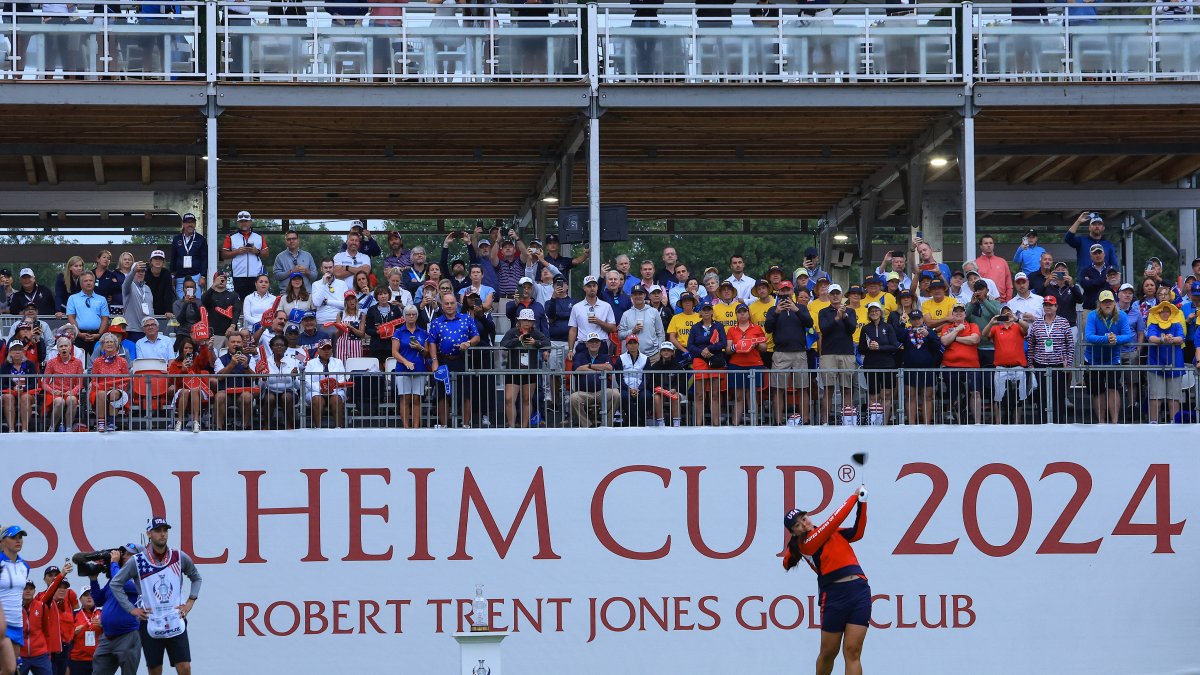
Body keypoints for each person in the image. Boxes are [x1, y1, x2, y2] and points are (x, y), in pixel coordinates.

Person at [782, 486, 870, 675]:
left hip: (858, 590)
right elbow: (836, 518)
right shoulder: (806, 543)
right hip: (834, 596)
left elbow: (858, 532)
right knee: (829, 653)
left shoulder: (830, 532)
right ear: (794, 532)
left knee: (852, 651)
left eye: (803, 519)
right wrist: (854, 496)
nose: (803, 524)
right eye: (797, 525)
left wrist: (863, 503)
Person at [108, 518, 201, 675]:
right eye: (158, 530)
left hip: (175, 619)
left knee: (184, 667)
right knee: (155, 669)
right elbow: (115, 584)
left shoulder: (178, 557)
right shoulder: (138, 561)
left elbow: (196, 577)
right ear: (149, 534)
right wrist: (132, 610)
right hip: (150, 621)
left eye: (165, 530)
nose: (162, 534)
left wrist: (190, 601)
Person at [88, 545, 141, 675]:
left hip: (127, 635)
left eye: (130, 555)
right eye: (125, 554)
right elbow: (99, 600)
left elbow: (121, 582)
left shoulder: (139, 577)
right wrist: (93, 580)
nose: (125, 557)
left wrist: (113, 563)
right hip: (107, 637)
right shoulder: (114, 577)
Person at [429, 293, 479, 428]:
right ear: (442, 305)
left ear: (456, 304)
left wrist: (468, 343)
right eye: (446, 303)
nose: (449, 306)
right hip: (443, 360)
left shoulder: (466, 319)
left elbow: (476, 336)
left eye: (452, 303)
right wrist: (434, 361)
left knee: (465, 393)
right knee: (442, 393)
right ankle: (444, 424)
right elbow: (432, 342)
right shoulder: (436, 322)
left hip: (462, 360)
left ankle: (466, 424)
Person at [1083, 290, 1134, 423]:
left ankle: (1115, 422)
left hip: (1113, 357)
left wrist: (1116, 339)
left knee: (1113, 388)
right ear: (1099, 304)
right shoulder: (1092, 315)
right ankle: (1101, 421)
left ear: (1114, 302)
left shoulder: (1121, 315)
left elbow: (1128, 336)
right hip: (1093, 359)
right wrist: (1107, 339)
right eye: (1104, 302)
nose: (1107, 304)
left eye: (1110, 302)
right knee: (1098, 391)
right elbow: (1088, 336)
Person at [1026, 296, 1075, 423]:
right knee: (1041, 395)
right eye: (1046, 305)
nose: (1048, 307)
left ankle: (1059, 421)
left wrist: (1068, 364)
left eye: (1051, 304)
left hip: (1058, 365)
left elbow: (1070, 344)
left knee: (1058, 396)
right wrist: (1030, 363)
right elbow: (1031, 344)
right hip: (1040, 364)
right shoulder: (1036, 323)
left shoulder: (1063, 322)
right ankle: (1042, 421)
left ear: (1056, 307)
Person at [499, 308, 550, 428]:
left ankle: (524, 427)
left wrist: (535, 343)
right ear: (519, 321)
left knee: (527, 399)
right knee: (509, 398)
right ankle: (512, 426)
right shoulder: (513, 332)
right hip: (513, 370)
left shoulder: (536, 333)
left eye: (529, 320)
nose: (526, 323)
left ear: (533, 322)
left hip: (530, 370)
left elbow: (547, 343)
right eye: (524, 320)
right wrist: (518, 340)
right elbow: (503, 344)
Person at [20, 563, 71, 675]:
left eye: (56, 575)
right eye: (51, 575)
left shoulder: (67, 598)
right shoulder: (42, 600)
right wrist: (61, 575)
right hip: (43, 651)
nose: (54, 577)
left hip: (60, 648)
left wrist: (67, 640)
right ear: (44, 579)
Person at [818, 285, 858, 425]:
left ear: (842, 296)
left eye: (837, 293)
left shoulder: (851, 311)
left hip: (847, 354)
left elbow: (852, 329)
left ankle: (847, 420)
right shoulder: (823, 312)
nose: (835, 296)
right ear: (828, 296)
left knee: (847, 389)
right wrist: (836, 317)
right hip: (828, 354)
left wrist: (844, 316)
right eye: (832, 294)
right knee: (828, 389)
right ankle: (825, 422)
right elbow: (824, 329)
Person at [1145, 301, 1187, 423]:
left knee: (1174, 398)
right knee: (1155, 397)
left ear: (1171, 313)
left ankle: (1175, 423)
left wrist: (1172, 339)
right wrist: (1162, 339)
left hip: (1175, 364)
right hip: (1156, 363)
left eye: (1167, 311)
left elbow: (1181, 337)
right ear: (1158, 312)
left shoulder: (1177, 324)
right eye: (1162, 311)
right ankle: (1153, 423)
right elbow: (1151, 338)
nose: (1165, 313)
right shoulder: (1153, 324)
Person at [391, 305, 431, 429]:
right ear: (404, 316)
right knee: (405, 398)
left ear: (417, 316)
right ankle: (406, 428)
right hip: (403, 370)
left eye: (413, 314)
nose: (411, 316)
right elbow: (394, 352)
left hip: (419, 368)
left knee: (417, 398)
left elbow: (427, 353)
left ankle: (416, 427)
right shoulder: (398, 332)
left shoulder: (423, 332)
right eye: (408, 314)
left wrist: (420, 347)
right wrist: (405, 362)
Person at [858, 302, 897, 426]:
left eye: (876, 310)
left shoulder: (888, 327)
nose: (874, 313)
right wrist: (869, 347)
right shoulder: (865, 328)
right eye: (871, 311)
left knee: (886, 394)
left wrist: (880, 347)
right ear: (869, 314)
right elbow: (861, 349)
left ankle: (884, 423)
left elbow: (894, 346)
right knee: (873, 395)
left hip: (887, 365)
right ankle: (874, 423)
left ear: (881, 312)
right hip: (871, 365)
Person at [568, 333, 619, 428]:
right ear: (586, 344)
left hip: (602, 392)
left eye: (596, 341)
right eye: (591, 342)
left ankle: (607, 424)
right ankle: (587, 426)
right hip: (584, 392)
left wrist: (590, 366)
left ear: (600, 344)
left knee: (616, 394)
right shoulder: (579, 356)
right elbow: (577, 369)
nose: (594, 344)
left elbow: (609, 368)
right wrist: (599, 369)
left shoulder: (605, 356)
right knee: (573, 398)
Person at [0, 525, 31, 675]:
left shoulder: (24, 566)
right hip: (1, 623)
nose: (18, 541)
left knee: (10, 670)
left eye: (20, 537)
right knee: (9, 668)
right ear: (2, 541)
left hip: (16, 623)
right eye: (13, 537)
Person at [222, 211, 270, 299]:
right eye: (241, 221)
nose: (243, 223)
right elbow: (224, 254)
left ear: (250, 222)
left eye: (246, 221)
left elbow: (266, 253)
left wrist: (257, 251)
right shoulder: (231, 236)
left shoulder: (259, 236)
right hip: (239, 274)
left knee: (257, 300)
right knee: (240, 301)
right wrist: (237, 251)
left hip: (256, 275)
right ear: (237, 222)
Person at [167, 337, 211, 433]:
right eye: (186, 348)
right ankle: (179, 421)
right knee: (185, 391)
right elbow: (172, 381)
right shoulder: (175, 363)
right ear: (181, 350)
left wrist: (203, 344)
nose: (188, 350)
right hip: (182, 390)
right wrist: (182, 371)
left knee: (194, 389)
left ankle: (196, 421)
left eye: (190, 348)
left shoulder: (196, 360)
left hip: (197, 389)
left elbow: (204, 358)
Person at [304, 340, 348, 428]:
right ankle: (317, 428)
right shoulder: (310, 363)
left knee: (337, 399)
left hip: (335, 390)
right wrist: (320, 390)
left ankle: (338, 427)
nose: (326, 351)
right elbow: (307, 380)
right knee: (317, 400)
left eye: (329, 348)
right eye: (324, 349)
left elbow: (342, 379)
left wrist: (332, 389)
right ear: (318, 350)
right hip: (316, 391)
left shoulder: (338, 362)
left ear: (332, 350)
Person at [43, 337, 84, 433]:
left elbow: (79, 383)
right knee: (59, 402)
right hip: (55, 392)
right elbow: (44, 382)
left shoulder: (78, 362)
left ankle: (68, 428)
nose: (63, 348)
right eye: (61, 346)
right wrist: (52, 391)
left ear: (70, 348)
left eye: (66, 346)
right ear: (57, 349)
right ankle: (52, 427)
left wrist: (72, 392)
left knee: (72, 399)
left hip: (70, 391)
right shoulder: (52, 362)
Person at [91, 334, 130, 433]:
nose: (109, 344)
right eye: (106, 342)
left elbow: (126, 379)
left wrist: (117, 387)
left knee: (113, 393)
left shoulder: (123, 361)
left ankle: (112, 422)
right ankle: (101, 422)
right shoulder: (97, 361)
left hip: (117, 388)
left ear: (116, 345)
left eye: (111, 342)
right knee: (101, 393)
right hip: (100, 388)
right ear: (102, 346)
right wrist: (101, 387)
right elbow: (94, 380)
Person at [617, 286, 665, 364]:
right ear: (631, 296)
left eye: (640, 294)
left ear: (644, 295)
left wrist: (659, 349)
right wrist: (632, 331)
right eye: (635, 294)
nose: (638, 296)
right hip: (631, 356)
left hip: (652, 355)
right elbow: (620, 335)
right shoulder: (626, 314)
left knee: (652, 376)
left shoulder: (653, 312)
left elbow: (661, 333)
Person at [566, 276, 617, 349]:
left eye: (594, 286)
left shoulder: (606, 306)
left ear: (597, 287)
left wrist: (599, 322)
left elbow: (613, 328)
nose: (592, 288)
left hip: (601, 344)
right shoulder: (576, 307)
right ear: (584, 288)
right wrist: (570, 350)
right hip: (583, 344)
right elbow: (573, 330)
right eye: (589, 286)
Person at [1, 341, 39, 433]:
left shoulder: (30, 365)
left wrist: (24, 389)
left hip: (27, 392)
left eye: (19, 349)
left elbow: (33, 383)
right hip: (10, 391)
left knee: (25, 398)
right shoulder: (5, 366)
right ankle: (11, 429)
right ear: (9, 352)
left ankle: (24, 429)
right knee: (8, 397)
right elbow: (2, 383)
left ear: (23, 352)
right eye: (14, 350)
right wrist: (13, 388)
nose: (17, 352)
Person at [169, 213, 208, 299]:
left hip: (196, 277)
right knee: (182, 301)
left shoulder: (200, 239)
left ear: (195, 224)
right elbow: (173, 258)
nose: (190, 225)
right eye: (187, 222)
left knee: (195, 301)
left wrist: (203, 276)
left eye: (192, 222)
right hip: (180, 276)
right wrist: (172, 276)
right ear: (183, 224)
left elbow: (204, 259)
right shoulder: (177, 239)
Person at [615, 336, 649, 426]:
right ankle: (637, 422)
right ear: (626, 345)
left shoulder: (645, 358)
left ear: (638, 345)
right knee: (624, 397)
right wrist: (629, 389)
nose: (632, 345)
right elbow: (619, 378)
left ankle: (638, 421)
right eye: (630, 343)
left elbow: (647, 378)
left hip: (640, 388)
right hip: (625, 388)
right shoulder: (620, 358)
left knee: (646, 396)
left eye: (635, 343)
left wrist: (639, 389)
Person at [69, 587, 101, 675]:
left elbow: (113, 632)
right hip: (77, 660)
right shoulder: (74, 613)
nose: (89, 597)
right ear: (80, 599)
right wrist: (73, 632)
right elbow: (64, 636)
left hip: (99, 659)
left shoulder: (103, 612)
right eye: (86, 595)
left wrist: (103, 625)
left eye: (91, 595)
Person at [144, 251, 176, 320]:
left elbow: (168, 293)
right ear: (151, 261)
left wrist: (169, 310)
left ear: (163, 262)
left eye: (160, 259)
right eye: (155, 258)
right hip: (147, 307)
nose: (158, 261)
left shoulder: (167, 273)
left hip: (162, 307)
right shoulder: (145, 274)